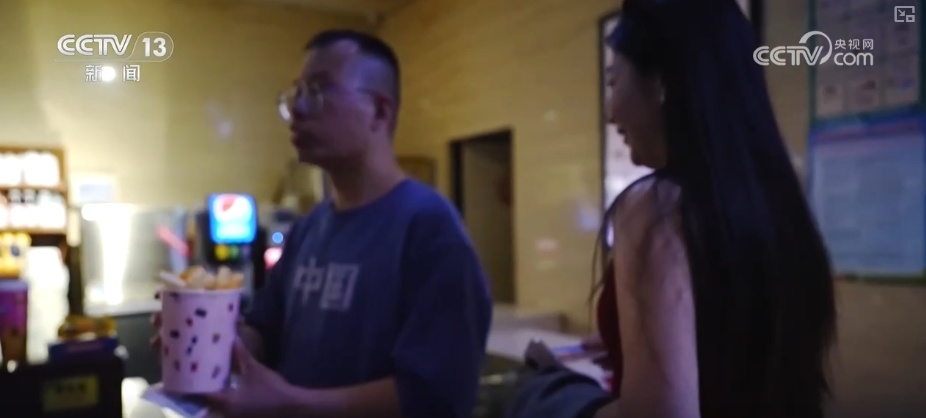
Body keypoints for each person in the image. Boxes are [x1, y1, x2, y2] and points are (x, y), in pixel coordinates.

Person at [512, 0, 836, 417]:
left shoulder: (656, 208)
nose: (610, 112)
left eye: (613, 82)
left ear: (661, 82)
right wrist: (632, 348)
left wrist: (556, 393)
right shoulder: (779, 209)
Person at [153, 30, 493, 418]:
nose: (298, 108)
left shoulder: (430, 229)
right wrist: (204, 334)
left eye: (317, 91)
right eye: (296, 93)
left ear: (379, 111)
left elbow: (435, 394)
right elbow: (265, 333)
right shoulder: (309, 228)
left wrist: (290, 404)